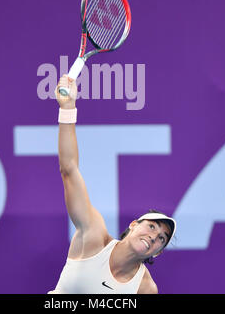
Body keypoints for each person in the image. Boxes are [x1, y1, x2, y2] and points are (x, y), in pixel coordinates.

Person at [48, 75, 176, 294]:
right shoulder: (93, 234)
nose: (154, 236)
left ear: (157, 253)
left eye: (161, 239)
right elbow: (68, 169)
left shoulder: (145, 288)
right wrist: (68, 108)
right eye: (152, 226)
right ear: (134, 225)